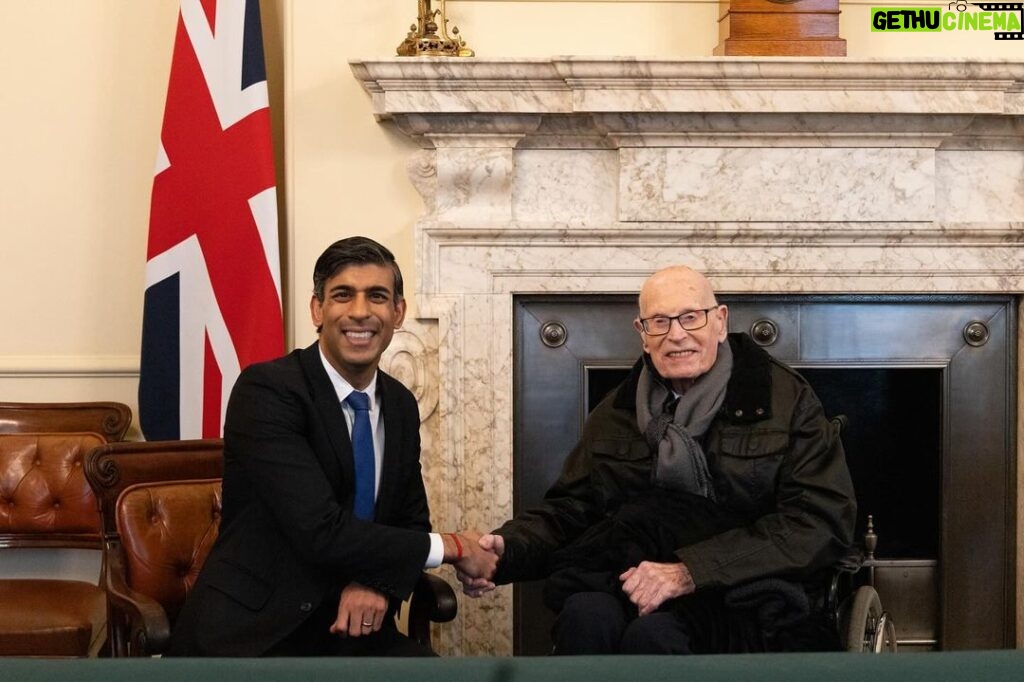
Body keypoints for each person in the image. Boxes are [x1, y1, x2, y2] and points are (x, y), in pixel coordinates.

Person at [458, 265, 857, 655]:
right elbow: (571, 511)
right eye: (660, 322)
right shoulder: (616, 412)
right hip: (632, 576)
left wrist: (689, 571)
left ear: (720, 321)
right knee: (585, 616)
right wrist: (506, 550)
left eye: (690, 317)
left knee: (653, 638)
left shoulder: (786, 401)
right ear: (643, 335)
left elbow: (819, 523)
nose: (677, 334)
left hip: (743, 589)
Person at [168, 236, 496, 657]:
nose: (360, 311)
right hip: (256, 632)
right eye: (343, 295)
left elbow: (409, 520)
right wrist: (453, 547)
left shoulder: (399, 404)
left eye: (377, 297)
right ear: (317, 310)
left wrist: (374, 582)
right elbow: (319, 529)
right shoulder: (266, 390)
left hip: (354, 627)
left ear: (398, 313)